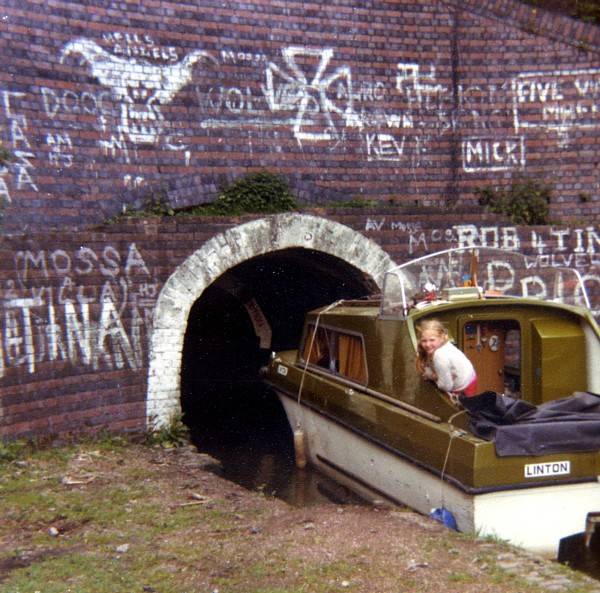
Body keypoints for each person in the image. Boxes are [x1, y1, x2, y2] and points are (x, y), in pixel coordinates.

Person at [416, 319, 477, 400]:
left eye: (432, 340)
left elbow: (446, 386)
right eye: (424, 341)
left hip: (465, 386)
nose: (427, 344)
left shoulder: (440, 356)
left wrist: (431, 376)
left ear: (441, 338)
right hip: (469, 375)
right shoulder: (443, 344)